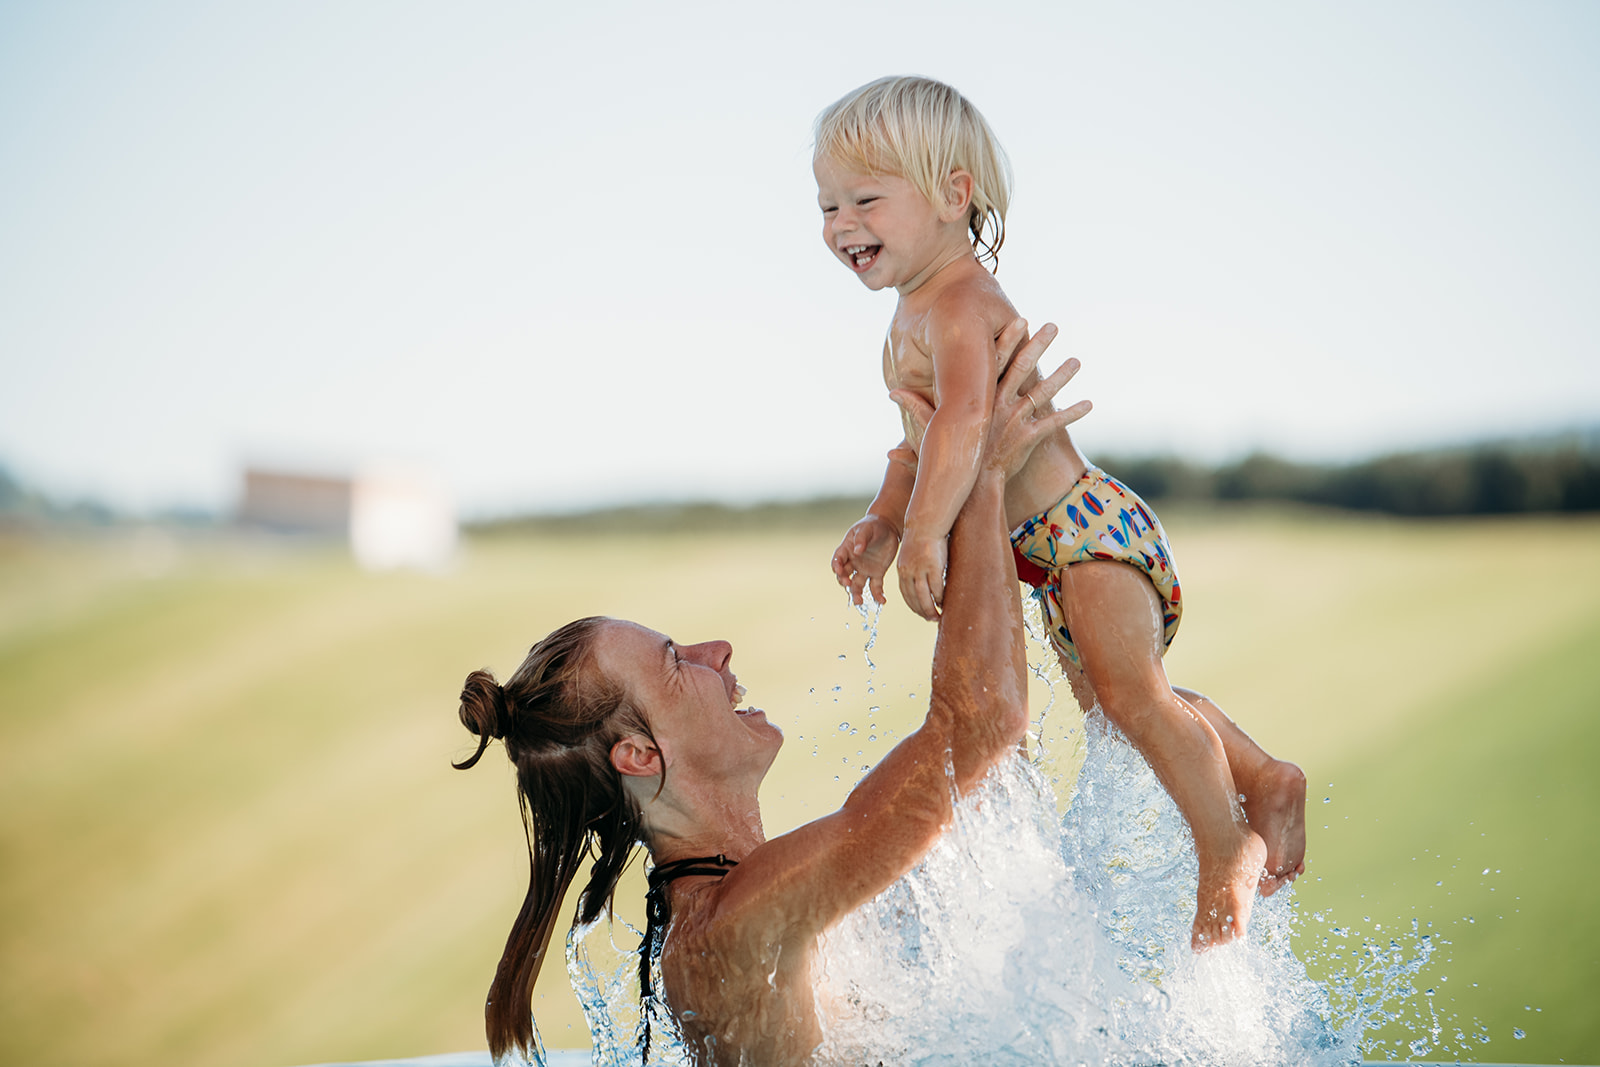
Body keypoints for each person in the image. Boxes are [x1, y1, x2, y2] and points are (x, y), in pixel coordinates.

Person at [454, 324, 1086, 1066]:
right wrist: (979, 473)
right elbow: (981, 725)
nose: (716, 651)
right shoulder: (732, 922)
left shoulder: (744, 905)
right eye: (674, 661)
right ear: (638, 752)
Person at [817, 75, 1306, 950]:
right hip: (1050, 551)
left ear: (952, 195)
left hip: (1087, 532)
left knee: (1133, 698)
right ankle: (1263, 774)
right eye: (827, 205)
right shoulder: (907, 319)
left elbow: (967, 424)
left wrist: (928, 531)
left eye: (864, 200)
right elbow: (917, 444)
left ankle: (1225, 844)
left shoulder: (962, 300)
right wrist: (887, 522)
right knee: (1118, 708)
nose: (841, 224)